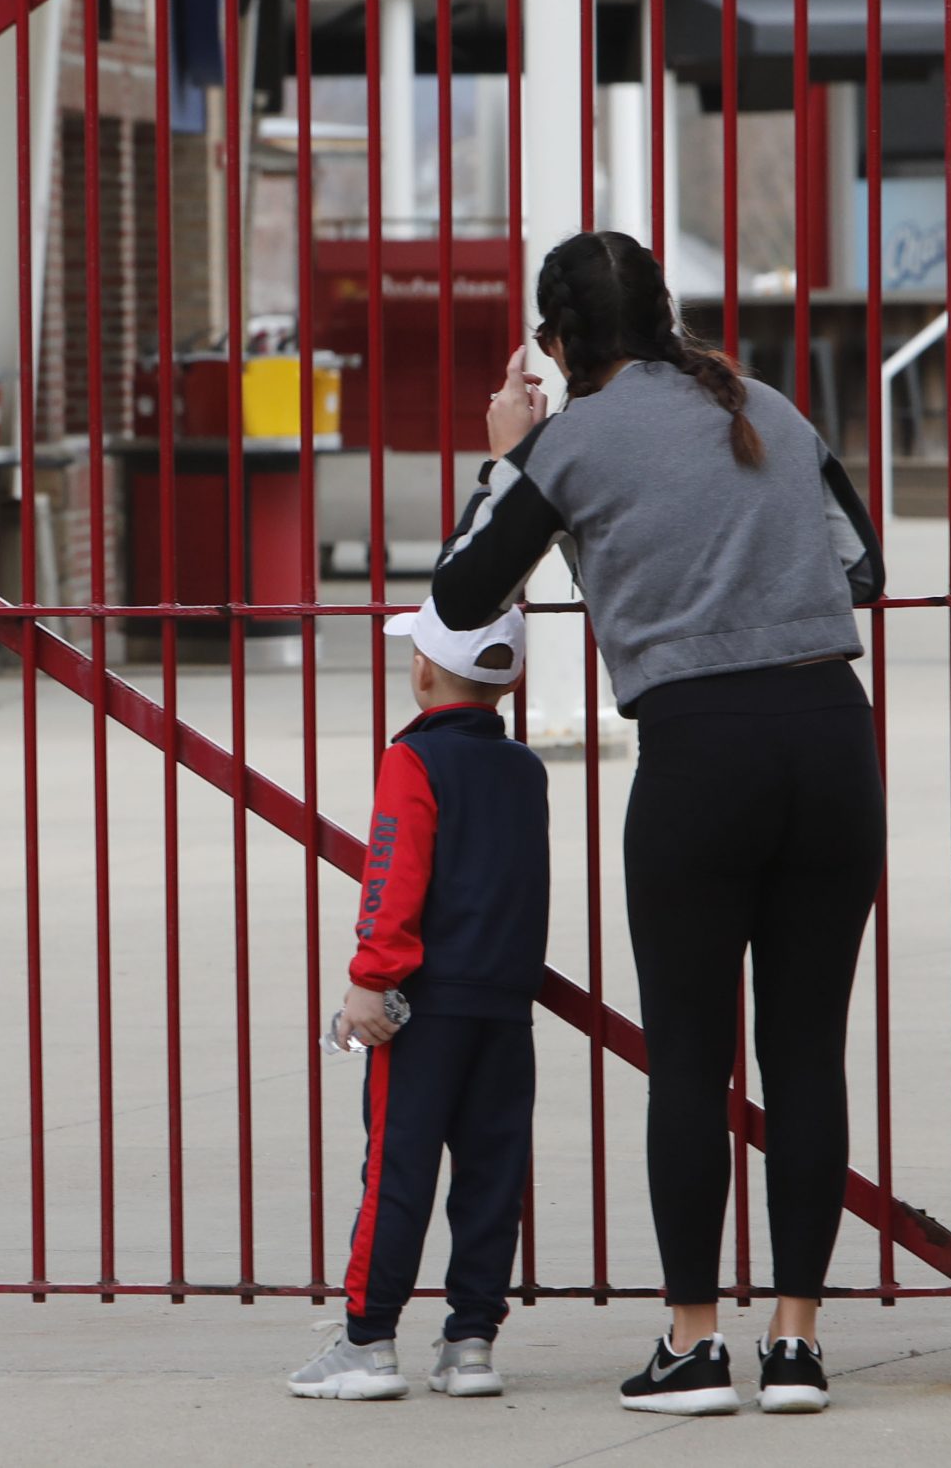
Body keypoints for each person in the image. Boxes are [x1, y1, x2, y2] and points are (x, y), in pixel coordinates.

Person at [430, 230, 885, 1418]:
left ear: (559, 340)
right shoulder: (768, 407)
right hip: (832, 739)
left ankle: (691, 1345)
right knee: (807, 1053)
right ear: (664, 314)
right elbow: (859, 564)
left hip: (700, 752)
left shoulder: (568, 440)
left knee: (689, 1055)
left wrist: (511, 459)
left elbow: (459, 594)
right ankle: (795, 1344)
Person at [289, 598, 548, 1404]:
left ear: (425, 669)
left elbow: (393, 873)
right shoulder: (524, 768)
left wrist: (373, 976)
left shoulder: (412, 761)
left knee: (398, 1170)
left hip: (427, 1003)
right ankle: (471, 1341)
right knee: (491, 1174)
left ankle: (368, 1340)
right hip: (503, 1005)